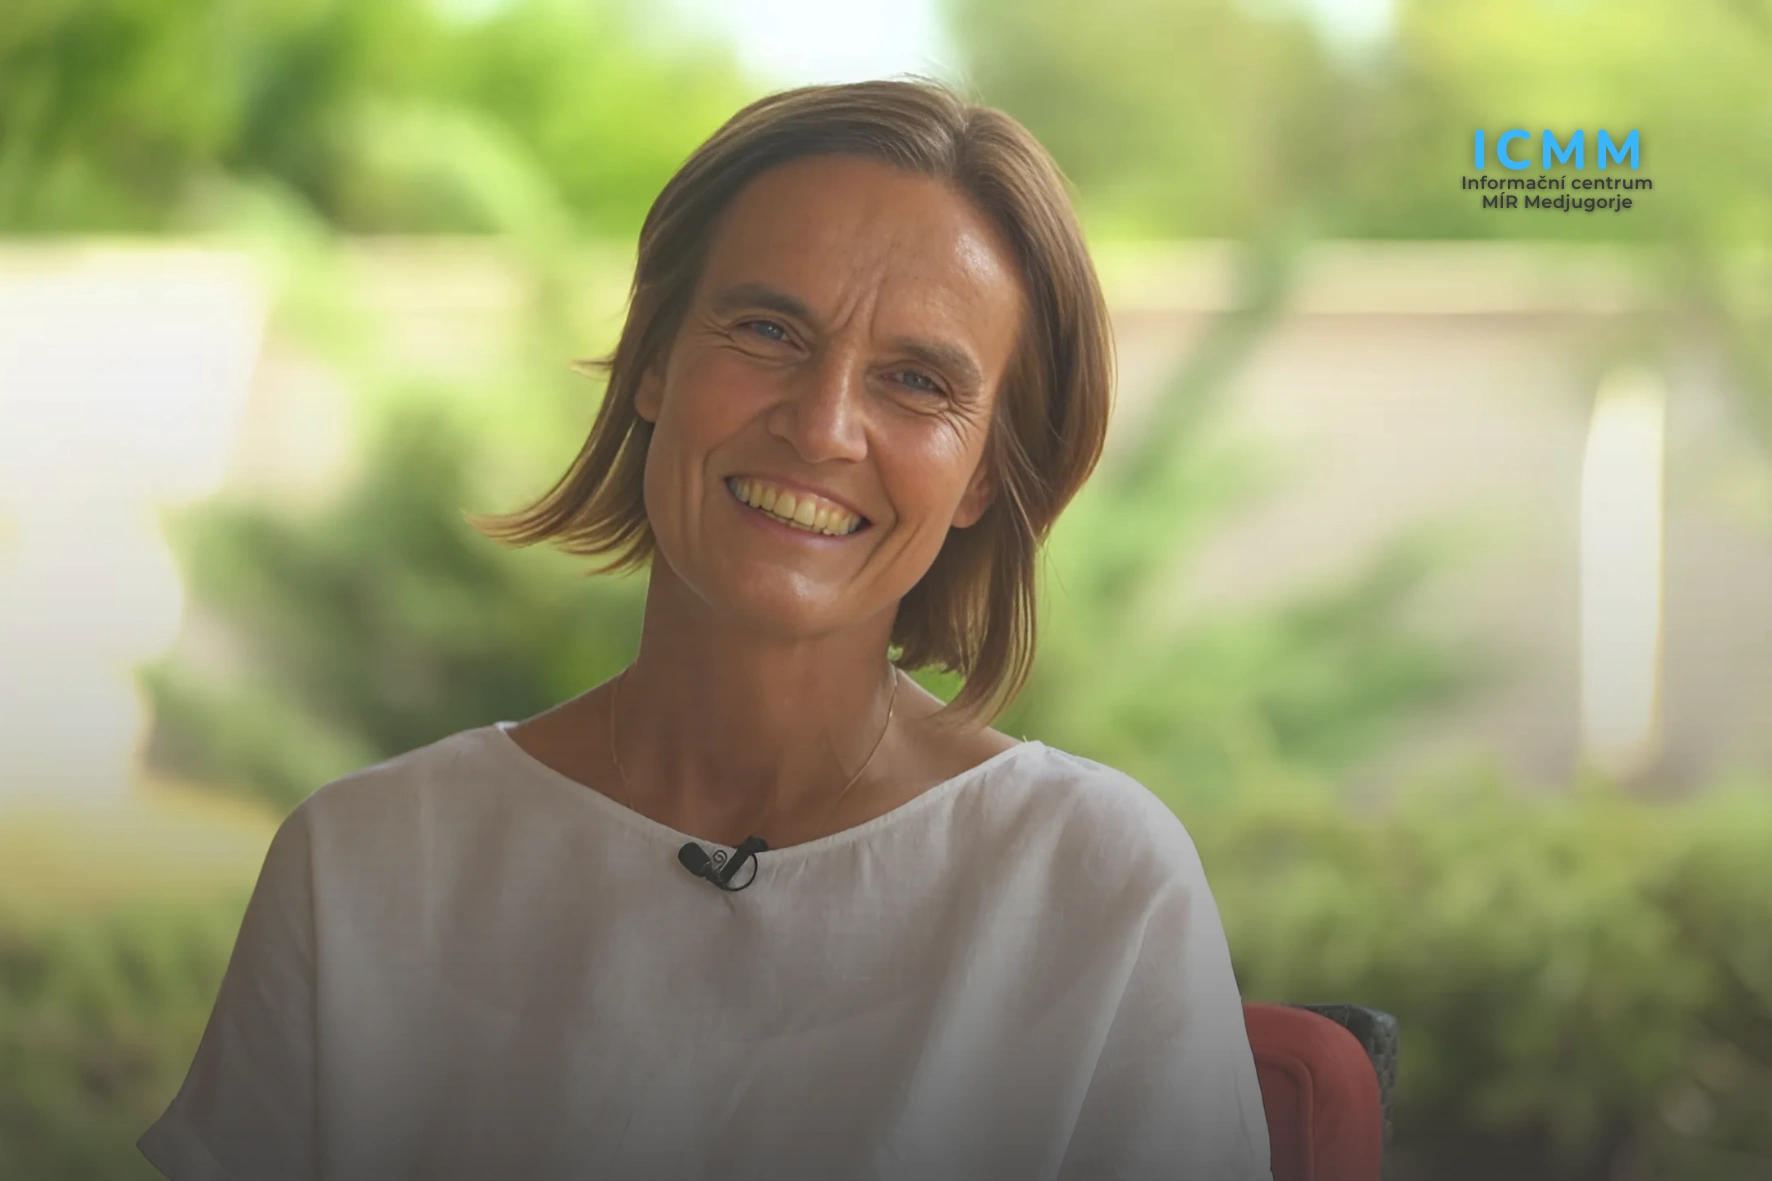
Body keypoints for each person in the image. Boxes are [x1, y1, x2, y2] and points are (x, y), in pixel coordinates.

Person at [139, 78, 1272, 1181]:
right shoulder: (363, 867)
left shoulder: (1094, 885)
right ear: (652, 362)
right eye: (769, 329)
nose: (822, 426)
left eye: (918, 381)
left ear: (982, 476)